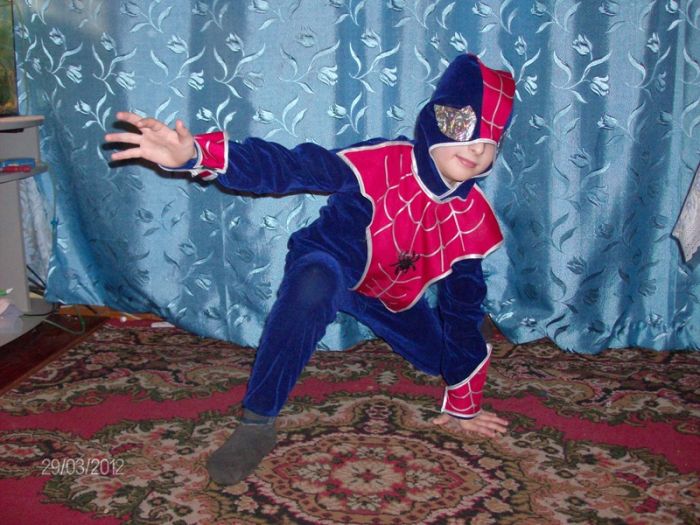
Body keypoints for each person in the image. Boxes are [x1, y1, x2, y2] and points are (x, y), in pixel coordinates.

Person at [105, 53, 515, 486]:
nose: (477, 147)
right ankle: (257, 422)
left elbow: (463, 303)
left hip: (391, 295)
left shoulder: (472, 217)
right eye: (463, 125)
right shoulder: (382, 162)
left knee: (441, 360)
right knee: (312, 285)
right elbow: (292, 166)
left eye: (491, 139)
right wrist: (196, 154)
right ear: (433, 120)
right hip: (330, 265)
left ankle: (457, 343)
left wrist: (464, 403)